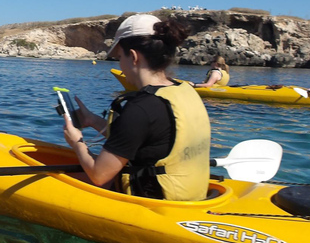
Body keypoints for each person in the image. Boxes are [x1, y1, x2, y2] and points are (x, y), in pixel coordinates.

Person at [63, 14, 211, 201]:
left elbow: (99, 175)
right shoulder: (185, 91)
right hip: (195, 197)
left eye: (119, 58)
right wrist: (92, 121)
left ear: (133, 56)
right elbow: (153, 139)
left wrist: (77, 142)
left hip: (156, 206)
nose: (120, 66)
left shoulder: (141, 108)